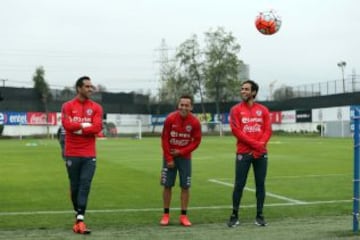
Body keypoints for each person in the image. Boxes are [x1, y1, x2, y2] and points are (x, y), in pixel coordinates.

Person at [227, 80, 272, 228]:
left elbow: (267, 130)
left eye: (246, 89)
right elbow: (237, 131)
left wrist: (261, 145)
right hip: (244, 153)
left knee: (260, 184)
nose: (243, 91)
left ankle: (259, 215)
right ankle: (234, 215)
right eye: (242, 89)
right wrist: (256, 145)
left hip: (261, 153)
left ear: (254, 92)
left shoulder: (263, 110)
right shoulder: (235, 110)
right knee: (239, 184)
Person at [61, 76, 103, 234]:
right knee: (75, 187)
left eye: (91, 87)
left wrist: (79, 128)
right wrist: (86, 126)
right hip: (72, 152)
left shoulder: (97, 107)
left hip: (89, 154)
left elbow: (97, 127)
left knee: (85, 184)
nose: (90, 89)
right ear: (79, 88)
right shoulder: (67, 106)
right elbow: (67, 125)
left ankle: (80, 220)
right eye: (87, 86)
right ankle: (78, 217)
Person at [159, 95, 202, 227]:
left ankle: (183, 216)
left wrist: (182, 152)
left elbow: (196, 141)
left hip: (185, 158)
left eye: (186, 105)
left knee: (185, 186)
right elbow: (164, 139)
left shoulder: (195, 122)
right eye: (181, 105)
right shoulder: (170, 119)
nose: (183, 107)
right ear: (178, 106)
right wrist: (169, 158)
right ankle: (165, 215)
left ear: (191, 107)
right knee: (167, 185)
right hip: (169, 156)